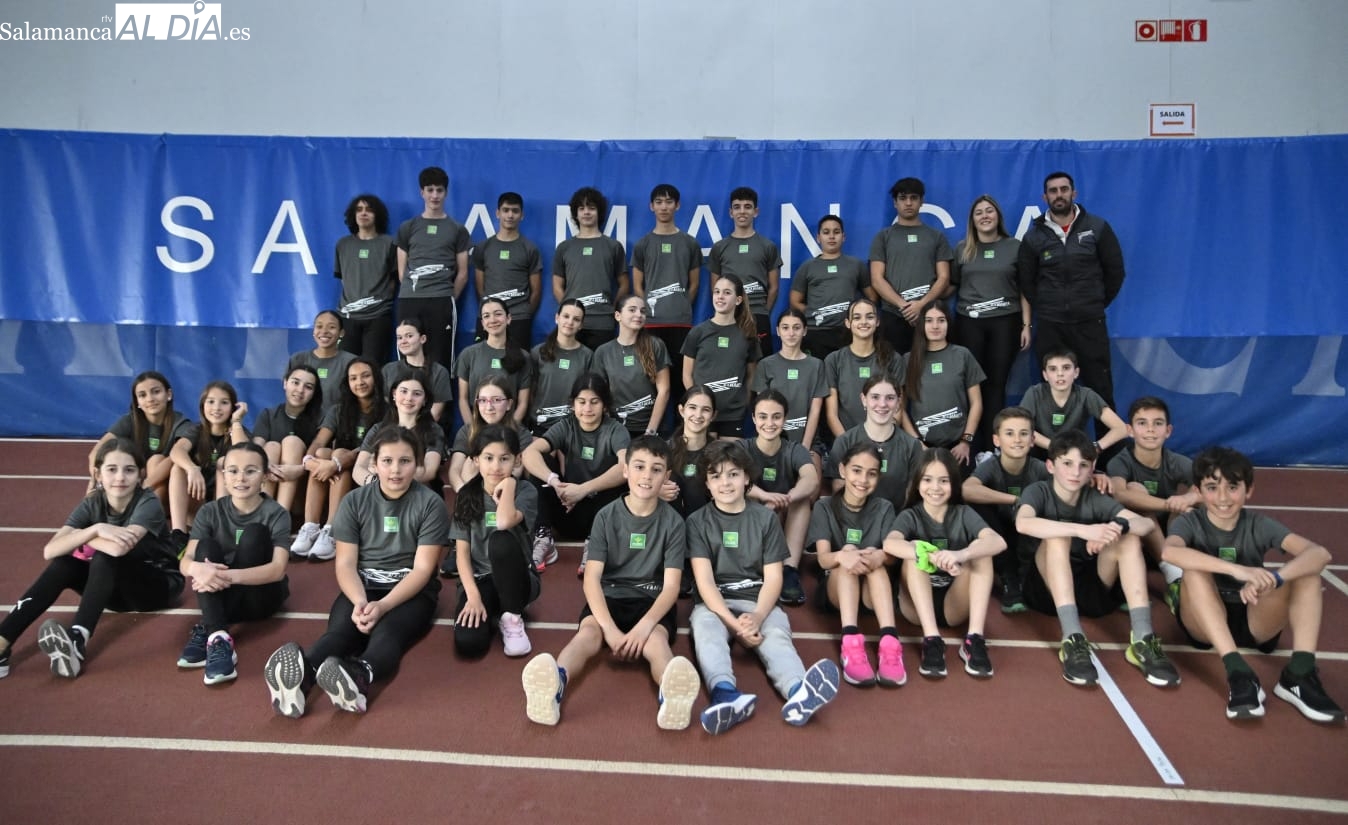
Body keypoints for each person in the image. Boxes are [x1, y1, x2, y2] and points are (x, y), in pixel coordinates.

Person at [263, 427, 448, 717]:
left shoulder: (431, 504)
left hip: (411, 593)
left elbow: (424, 569)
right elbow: (346, 563)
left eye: (405, 461)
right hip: (360, 587)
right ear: (373, 463)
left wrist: (384, 605)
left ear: (418, 464)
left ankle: (359, 676)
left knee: (387, 634)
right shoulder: (353, 502)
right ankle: (301, 678)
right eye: (387, 461)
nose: (395, 470)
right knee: (340, 633)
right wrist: (360, 601)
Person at [520, 436, 698, 729]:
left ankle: (671, 693)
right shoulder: (606, 517)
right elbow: (591, 580)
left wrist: (642, 628)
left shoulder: (674, 523)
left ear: (666, 477)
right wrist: (610, 631)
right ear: (625, 470)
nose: (647, 476)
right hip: (610, 596)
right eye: (639, 466)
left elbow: (671, 587)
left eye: (656, 470)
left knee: (656, 642)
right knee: (588, 634)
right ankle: (555, 684)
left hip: (652, 600)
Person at [1163, 447, 1343, 723]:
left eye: (1233, 487)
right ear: (1198, 491)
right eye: (1212, 487)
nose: (1223, 498)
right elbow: (1170, 552)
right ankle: (1238, 673)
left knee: (1306, 573)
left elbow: (1320, 553)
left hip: (1254, 615)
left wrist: (1274, 579)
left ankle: (1299, 674)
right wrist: (1239, 570)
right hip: (1205, 622)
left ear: (1249, 491)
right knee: (1194, 571)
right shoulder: (1191, 522)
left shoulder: (1259, 524)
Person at [686, 440, 840, 735]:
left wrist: (756, 617)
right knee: (706, 633)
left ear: (746, 478)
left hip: (758, 600)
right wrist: (733, 625)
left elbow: (773, 578)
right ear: (706, 482)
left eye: (732, 474)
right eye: (715, 476)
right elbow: (704, 583)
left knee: (777, 638)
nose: (725, 483)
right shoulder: (697, 522)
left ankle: (798, 692)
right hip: (715, 604)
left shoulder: (765, 519)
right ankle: (725, 694)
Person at [0, 438, 183, 680]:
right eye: (111, 469)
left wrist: (79, 537)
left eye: (128, 470)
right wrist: (94, 529)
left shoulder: (147, 502)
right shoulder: (92, 503)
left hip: (157, 587)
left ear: (140, 475)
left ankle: (77, 640)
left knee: (105, 555)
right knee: (63, 563)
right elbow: (50, 550)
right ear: (98, 474)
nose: (120, 477)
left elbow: (119, 548)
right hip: (114, 591)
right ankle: (2, 642)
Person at [1014, 430, 1179, 688]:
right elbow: (1023, 523)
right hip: (1045, 590)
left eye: (1083, 466)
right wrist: (1082, 530)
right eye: (1066, 463)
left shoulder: (1094, 496)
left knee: (1130, 538)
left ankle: (1143, 639)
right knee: (1057, 539)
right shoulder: (1039, 491)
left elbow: (1145, 524)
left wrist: (1115, 529)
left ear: (1092, 469)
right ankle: (1072, 638)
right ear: (1050, 465)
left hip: (1092, 589)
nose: (1075, 472)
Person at [885, 448, 1005, 679]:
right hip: (916, 608)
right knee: (913, 557)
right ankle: (932, 640)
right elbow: (890, 543)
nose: (935, 488)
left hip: (954, 605)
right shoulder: (911, 515)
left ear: (954, 483)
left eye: (943, 481)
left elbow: (997, 541)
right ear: (918, 483)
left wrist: (961, 554)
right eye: (928, 480)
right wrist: (930, 555)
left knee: (982, 553)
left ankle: (974, 639)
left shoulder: (963, 513)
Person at [177, 442, 290, 685]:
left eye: (251, 471)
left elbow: (278, 570)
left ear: (265, 476)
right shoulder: (209, 512)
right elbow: (185, 562)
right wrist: (197, 568)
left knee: (254, 534)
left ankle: (208, 624)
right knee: (205, 547)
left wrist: (221, 577)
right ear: (224, 476)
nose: (241, 477)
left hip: (260, 597)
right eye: (233, 470)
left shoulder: (277, 513)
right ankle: (218, 636)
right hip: (222, 593)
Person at [1017, 171, 1126, 408]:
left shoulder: (1097, 227)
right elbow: (1026, 281)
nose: (1059, 195)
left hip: (1090, 322)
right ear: (1044, 197)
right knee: (1051, 392)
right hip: (1051, 325)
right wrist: (1048, 305)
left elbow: (1115, 272)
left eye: (1064, 189)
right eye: (1053, 191)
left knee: (1100, 387)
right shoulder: (1034, 237)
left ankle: (1110, 446)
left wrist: (1093, 302)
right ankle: (1054, 445)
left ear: (1073, 193)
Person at [808, 442, 904, 687]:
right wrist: (843, 556)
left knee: (878, 559)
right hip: (837, 590)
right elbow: (822, 558)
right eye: (857, 470)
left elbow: (892, 555)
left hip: (871, 593)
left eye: (871, 474)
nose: (863, 479)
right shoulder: (824, 506)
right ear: (842, 470)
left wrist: (879, 556)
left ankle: (890, 643)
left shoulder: (884, 508)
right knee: (848, 554)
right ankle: (850, 642)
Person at [520, 373, 631, 575]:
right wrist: (555, 483)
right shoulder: (567, 425)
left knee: (619, 474)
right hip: (568, 508)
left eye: (594, 402)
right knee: (542, 461)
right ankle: (544, 538)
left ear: (605, 405)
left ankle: (596, 545)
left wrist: (583, 489)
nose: (587, 408)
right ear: (573, 404)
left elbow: (626, 467)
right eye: (581, 402)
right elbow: (529, 454)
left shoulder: (615, 430)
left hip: (600, 513)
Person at [450, 426, 541, 658]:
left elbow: (503, 521)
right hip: (481, 581)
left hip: (519, 578)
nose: (496, 467)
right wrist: (472, 596)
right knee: (469, 643)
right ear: (475, 460)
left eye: (504, 459)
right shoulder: (466, 496)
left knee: (500, 540)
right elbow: (461, 554)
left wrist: (509, 485)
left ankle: (512, 616)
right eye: (488, 458)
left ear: (517, 460)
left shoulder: (525, 491)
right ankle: (495, 609)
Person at [950, 195, 1029, 451]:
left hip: (1005, 323)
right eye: (979, 212)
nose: (984, 216)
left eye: (989, 211)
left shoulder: (1014, 247)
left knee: (996, 384)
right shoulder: (963, 249)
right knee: (973, 386)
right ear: (972, 220)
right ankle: (970, 447)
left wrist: (1027, 325)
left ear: (998, 217)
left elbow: (1024, 290)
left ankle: (992, 448)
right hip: (969, 323)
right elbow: (951, 285)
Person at [292, 358, 386, 561]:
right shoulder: (339, 409)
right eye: (353, 378)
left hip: (367, 472)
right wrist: (310, 460)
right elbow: (319, 441)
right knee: (323, 454)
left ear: (376, 378)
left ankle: (333, 530)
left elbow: (372, 449)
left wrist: (336, 463)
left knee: (336, 454)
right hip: (339, 474)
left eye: (365, 376)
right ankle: (311, 527)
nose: (359, 382)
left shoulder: (387, 410)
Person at [962, 406, 1050, 614]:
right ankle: (1008, 578)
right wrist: (1015, 499)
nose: (1017, 440)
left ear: (1032, 440)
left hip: (1028, 534)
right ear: (996, 440)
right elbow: (967, 489)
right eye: (1009, 433)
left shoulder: (1038, 468)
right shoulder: (992, 465)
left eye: (1023, 434)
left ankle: (1028, 575)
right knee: (976, 506)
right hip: (1000, 534)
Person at [1107, 396, 1195, 587]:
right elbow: (1119, 494)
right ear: (1130, 430)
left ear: (1168, 431)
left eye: (1158, 423)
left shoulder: (1178, 462)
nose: (1150, 430)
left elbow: (1208, 486)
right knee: (1134, 490)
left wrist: (1188, 497)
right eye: (1142, 423)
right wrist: (1168, 503)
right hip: (1138, 535)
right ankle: (1170, 569)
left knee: (1193, 502)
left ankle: (1218, 561)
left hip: (1171, 534)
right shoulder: (1120, 462)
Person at [742, 391, 818, 606]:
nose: (769, 423)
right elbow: (733, 480)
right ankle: (755, 566)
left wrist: (785, 498)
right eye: (763, 416)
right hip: (754, 516)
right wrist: (765, 496)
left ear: (784, 419)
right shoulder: (743, 447)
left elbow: (811, 479)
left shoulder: (794, 449)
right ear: (754, 419)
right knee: (746, 500)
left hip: (783, 516)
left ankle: (789, 570)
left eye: (776, 417)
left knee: (802, 501)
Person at [396, 166, 471, 373]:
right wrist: (414, 289)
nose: (435, 195)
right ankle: (405, 405)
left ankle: (440, 406)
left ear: (446, 193)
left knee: (440, 358)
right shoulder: (407, 227)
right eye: (430, 190)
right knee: (407, 358)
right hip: (410, 300)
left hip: (441, 301)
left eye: (439, 190)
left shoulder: (457, 229)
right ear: (422, 192)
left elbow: (462, 272)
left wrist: (447, 296)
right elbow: (402, 271)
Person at [632, 183, 702, 399]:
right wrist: (648, 312)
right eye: (659, 202)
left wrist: (679, 305)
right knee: (651, 383)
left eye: (669, 202)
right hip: (652, 323)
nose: (664, 207)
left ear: (677, 206)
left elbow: (694, 285)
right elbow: (637, 286)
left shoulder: (689, 243)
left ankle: (682, 431)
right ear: (651, 206)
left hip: (680, 323)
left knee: (681, 382)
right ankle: (652, 432)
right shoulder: (643, 244)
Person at [868, 177, 953, 355]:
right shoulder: (883, 237)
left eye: (913, 198)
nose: (908, 203)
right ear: (895, 203)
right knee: (893, 373)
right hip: (893, 314)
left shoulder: (936, 237)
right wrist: (904, 306)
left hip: (929, 316)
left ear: (921, 202)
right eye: (903, 198)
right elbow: (876, 279)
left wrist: (921, 305)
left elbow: (944, 277)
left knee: (928, 371)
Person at [899, 302, 986, 468]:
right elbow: (899, 409)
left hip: (958, 447)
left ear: (948, 323)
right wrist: (917, 444)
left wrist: (965, 442)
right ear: (922, 324)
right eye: (929, 320)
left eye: (941, 320)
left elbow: (977, 403)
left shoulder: (963, 355)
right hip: (923, 445)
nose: (935, 326)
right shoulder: (908, 360)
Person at [89, 370, 191, 506]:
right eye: (142, 395)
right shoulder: (130, 420)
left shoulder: (182, 423)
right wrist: (97, 478)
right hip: (135, 482)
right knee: (102, 477)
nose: (150, 399)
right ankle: (89, 517)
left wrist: (144, 486)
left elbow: (174, 457)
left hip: (169, 491)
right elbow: (96, 452)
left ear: (169, 394)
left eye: (156, 392)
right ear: (137, 401)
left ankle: (147, 519)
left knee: (157, 460)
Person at [167, 381, 250, 543]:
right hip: (200, 503)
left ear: (233, 407)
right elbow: (177, 451)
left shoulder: (239, 431)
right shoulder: (197, 430)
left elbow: (244, 456)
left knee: (223, 462)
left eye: (224, 402)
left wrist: (236, 422)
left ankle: (221, 529)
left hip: (231, 508)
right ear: (202, 405)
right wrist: (192, 469)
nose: (217, 408)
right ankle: (178, 535)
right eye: (211, 401)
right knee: (178, 468)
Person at [828, 375, 923, 510]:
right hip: (855, 521)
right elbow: (838, 488)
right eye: (875, 397)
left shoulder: (912, 446)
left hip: (895, 523)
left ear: (898, 402)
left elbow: (912, 494)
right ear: (863, 399)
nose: (882, 404)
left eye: (890, 398)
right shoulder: (845, 441)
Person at [682, 275, 760, 438]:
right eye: (717, 292)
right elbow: (687, 375)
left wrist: (744, 404)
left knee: (729, 462)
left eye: (726, 292)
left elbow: (752, 376)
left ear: (738, 300)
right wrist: (698, 405)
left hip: (733, 415)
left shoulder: (748, 335)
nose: (720, 296)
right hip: (702, 415)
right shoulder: (698, 332)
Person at [790, 214, 874, 360]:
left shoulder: (856, 265)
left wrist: (858, 314)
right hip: (816, 332)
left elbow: (872, 297)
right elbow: (794, 301)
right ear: (818, 237)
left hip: (847, 331)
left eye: (836, 232)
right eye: (826, 232)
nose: (831, 237)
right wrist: (814, 312)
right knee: (818, 378)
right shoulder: (807, 267)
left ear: (844, 236)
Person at [553, 186, 627, 350]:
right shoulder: (564, 247)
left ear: (599, 212)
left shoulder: (613, 246)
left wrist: (610, 308)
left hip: (603, 322)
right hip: (571, 323)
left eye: (591, 208)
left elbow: (624, 284)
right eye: (581, 208)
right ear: (575, 214)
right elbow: (557, 285)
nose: (586, 212)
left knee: (600, 373)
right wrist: (570, 310)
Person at [351, 372, 446, 493]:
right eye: (404, 391)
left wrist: (385, 475)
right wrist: (375, 483)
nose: (409, 398)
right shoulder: (378, 429)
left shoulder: (433, 430)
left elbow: (429, 472)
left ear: (425, 400)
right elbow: (359, 468)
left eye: (416, 394)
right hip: (377, 492)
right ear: (394, 394)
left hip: (418, 493)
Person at [708, 186, 781, 342]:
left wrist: (763, 312)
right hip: (729, 314)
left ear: (756, 212)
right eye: (737, 207)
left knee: (759, 365)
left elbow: (774, 287)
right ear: (731, 212)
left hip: (758, 315)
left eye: (747, 207)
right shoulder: (719, 248)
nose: (742, 211)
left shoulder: (767, 246)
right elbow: (715, 286)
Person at [1021, 350, 1128, 454]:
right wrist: (1054, 447)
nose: (1060, 374)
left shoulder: (1086, 395)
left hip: (1073, 456)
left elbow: (1122, 428)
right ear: (1045, 375)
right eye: (1053, 369)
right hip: (1040, 453)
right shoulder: (1034, 393)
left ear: (1076, 373)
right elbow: (1021, 427)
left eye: (1066, 368)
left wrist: (1096, 447)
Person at [593, 295, 671, 438]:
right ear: (618, 316)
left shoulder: (655, 345)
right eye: (632, 310)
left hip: (651, 428)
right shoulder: (603, 352)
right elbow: (599, 394)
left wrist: (650, 432)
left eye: (642, 311)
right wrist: (612, 430)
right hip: (616, 430)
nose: (638, 315)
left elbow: (664, 391)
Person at [472, 191, 542, 349]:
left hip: (519, 319)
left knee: (518, 366)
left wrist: (523, 313)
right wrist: (490, 312)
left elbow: (536, 291)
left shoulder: (529, 249)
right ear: (498, 213)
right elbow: (479, 288)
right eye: (506, 210)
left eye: (515, 211)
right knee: (483, 365)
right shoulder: (483, 247)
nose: (510, 215)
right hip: (489, 319)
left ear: (521, 215)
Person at [823, 298, 902, 438]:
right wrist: (848, 445)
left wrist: (881, 441)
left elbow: (898, 410)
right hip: (847, 443)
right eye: (857, 317)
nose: (864, 322)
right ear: (848, 323)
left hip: (884, 440)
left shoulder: (893, 359)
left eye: (870, 317)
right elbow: (832, 415)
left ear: (877, 322)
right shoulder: (833, 360)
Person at [334, 193, 398, 365]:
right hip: (348, 317)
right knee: (346, 368)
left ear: (377, 215)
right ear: (353, 215)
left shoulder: (389, 244)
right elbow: (344, 280)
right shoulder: (343, 245)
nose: (364, 213)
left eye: (369, 210)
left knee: (373, 368)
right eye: (359, 209)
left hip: (378, 317)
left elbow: (394, 280)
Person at [753, 309, 829, 452]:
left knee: (810, 473)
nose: (791, 333)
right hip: (773, 440)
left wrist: (804, 448)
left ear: (805, 331)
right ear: (778, 330)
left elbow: (815, 410)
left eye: (796, 327)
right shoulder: (765, 364)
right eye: (785, 327)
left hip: (808, 441)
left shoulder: (817, 365)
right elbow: (762, 410)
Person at [252, 364, 323, 514]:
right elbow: (255, 449)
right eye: (295, 382)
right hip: (268, 480)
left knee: (292, 442)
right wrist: (268, 466)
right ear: (285, 383)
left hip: (304, 489)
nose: (300, 390)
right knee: (270, 447)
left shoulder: (321, 419)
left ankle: (280, 519)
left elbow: (321, 457)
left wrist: (299, 470)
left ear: (314, 393)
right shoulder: (268, 415)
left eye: (308, 387)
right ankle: (262, 516)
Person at [447, 374, 530, 493]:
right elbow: (454, 471)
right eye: (483, 401)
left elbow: (515, 471)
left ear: (509, 404)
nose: (489, 407)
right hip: (472, 491)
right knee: (471, 461)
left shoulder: (521, 433)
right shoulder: (468, 430)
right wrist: (464, 494)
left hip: (507, 492)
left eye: (496, 400)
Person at [456, 296, 531, 426]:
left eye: (498, 314)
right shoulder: (468, 354)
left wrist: (509, 430)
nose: (492, 320)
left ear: (508, 318)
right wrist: (472, 429)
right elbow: (463, 399)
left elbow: (523, 402)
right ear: (482, 324)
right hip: (476, 427)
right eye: (486, 316)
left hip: (509, 429)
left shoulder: (523, 356)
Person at [527, 300, 593, 436]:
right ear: (557, 318)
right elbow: (529, 391)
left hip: (573, 426)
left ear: (581, 325)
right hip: (540, 423)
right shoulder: (537, 352)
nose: (570, 322)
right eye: (566, 316)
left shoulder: (588, 355)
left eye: (576, 319)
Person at [383, 317, 455, 423]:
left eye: (409, 336)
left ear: (423, 339)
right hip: (393, 430)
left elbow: (435, 414)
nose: (403, 341)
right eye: (399, 337)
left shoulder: (439, 372)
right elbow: (386, 408)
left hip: (424, 431)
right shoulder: (388, 370)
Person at [287, 310, 356, 413]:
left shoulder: (351, 362)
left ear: (341, 333)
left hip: (339, 425)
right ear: (313, 331)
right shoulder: (298, 359)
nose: (324, 331)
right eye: (319, 326)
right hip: (302, 423)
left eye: (331, 327)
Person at [667, 386, 718, 517]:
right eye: (692, 407)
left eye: (705, 410)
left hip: (707, 527)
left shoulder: (720, 452)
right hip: (670, 527)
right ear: (681, 410)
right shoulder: (663, 450)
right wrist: (656, 492)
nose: (698, 415)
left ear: (713, 415)